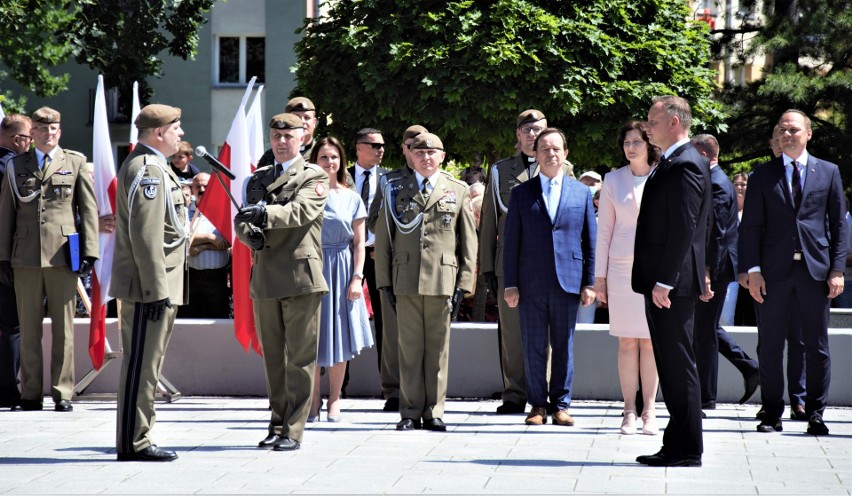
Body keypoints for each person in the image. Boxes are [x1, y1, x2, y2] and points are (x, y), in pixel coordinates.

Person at [739, 109, 846, 436]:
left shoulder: (828, 172)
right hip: (772, 274)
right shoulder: (762, 175)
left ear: (808, 134)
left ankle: (815, 413)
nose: (787, 135)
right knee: (769, 345)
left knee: (816, 346)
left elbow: (839, 225)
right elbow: (751, 228)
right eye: (782, 130)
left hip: (815, 273)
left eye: (794, 130)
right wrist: (752, 270)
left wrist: (837, 269)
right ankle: (772, 412)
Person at [234, 113, 328, 451]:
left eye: (289, 136)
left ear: (303, 138)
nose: (281, 141)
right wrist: (248, 234)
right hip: (266, 276)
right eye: (276, 136)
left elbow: (300, 212)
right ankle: (277, 423)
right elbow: (241, 217)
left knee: (300, 358)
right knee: (273, 356)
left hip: (300, 275)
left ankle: (294, 429)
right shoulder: (257, 177)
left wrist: (263, 216)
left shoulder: (313, 175)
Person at [374, 132, 477, 432]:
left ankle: (434, 410)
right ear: (410, 156)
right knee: (408, 349)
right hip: (404, 280)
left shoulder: (457, 190)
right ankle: (409, 411)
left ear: (442, 156)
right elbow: (383, 241)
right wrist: (384, 284)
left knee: (437, 351)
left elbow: (468, 243)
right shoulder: (394, 189)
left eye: (432, 153)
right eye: (420, 153)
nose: (426, 158)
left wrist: (464, 285)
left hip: (443, 281)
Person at [0, 107, 98, 413]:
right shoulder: (17, 166)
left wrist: (90, 251)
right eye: (42, 129)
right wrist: (3, 257)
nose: (48, 134)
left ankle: (62, 391)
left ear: (60, 132)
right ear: (33, 134)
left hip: (63, 257)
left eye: (53, 129)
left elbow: (88, 210)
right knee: (29, 329)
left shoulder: (75, 161)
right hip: (26, 257)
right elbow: (7, 214)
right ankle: (30, 394)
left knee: (64, 329)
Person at [632, 95, 711, 467]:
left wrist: (665, 279)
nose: (648, 127)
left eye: (653, 120)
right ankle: (676, 442)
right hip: (665, 283)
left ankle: (687, 448)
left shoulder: (686, 164)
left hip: (671, 286)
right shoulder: (675, 161)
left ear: (675, 122)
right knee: (671, 364)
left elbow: (686, 228)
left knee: (679, 365)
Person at [479, 109, 573, 415]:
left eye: (540, 130)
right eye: (528, 130)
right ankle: (514, 393)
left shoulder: (564, 168)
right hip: (512, 262)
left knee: (549, 334)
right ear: (518, 135)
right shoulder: (500, 171)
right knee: (512, 332)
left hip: (552, 264)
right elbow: (490, 222)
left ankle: (543, 397)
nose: (534, 135)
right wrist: (488, 267)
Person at [503, 127, 596, 427]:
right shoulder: (520, 194)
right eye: (544, 149)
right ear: (535, 154)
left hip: (568, 281)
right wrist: (511, 283)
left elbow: (589, 241)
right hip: (530, 282)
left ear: (565, 153)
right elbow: (511, 242)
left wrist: (590, 283)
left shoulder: (581, 193)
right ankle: (537, 405)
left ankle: (561, 404)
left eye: (556, 148)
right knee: (533, 345)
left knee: (564, 345)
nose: (551, 153)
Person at [111, 104, 188, 462]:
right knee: (142, 365)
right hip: (148, 289)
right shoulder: (149, 170)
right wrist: (156, 290)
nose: (181, 134)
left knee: (147, 365)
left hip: (153, 286)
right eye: (176, 128)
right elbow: (146, 237)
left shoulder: (153, 166)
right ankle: (134, 441)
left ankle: (136, 438)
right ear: (158, 133)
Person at [594, 121, 659, 435]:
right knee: (627, 342)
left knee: (650, 343)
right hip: (620, 270)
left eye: (637, 141)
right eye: (627, 142)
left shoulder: (663, 175)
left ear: (649, 143)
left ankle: (650, 410)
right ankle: (628, 411)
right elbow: (603, 232)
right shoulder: (612, 179)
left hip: (655, 270)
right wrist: (600, 277)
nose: (631, 147)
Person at [691, 134, 760, 412]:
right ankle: (748, 367)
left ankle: (706, 396)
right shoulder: (715, 179)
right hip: (715, 267)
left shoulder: (718, 184)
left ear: (704, 155)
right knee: (706, 328)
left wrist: (706, 271)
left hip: (716, 268)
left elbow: (716, 234)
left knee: (705, 331)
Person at [308, 136, 373, 422]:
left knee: (339, 338)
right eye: (324, 157)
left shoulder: (351, 197)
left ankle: (334, 399)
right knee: (308, 339)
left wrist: (357, 278)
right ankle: (312, 401)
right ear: (314, 161)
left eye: (334, 157)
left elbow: (359, 243)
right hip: (311, 267)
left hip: (342, 269)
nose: (329, 162)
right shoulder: (304, 194)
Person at [366, 124, 426, 411]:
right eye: (412, 145)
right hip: (394, 264)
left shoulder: (441, 181)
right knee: (392, 331)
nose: (418, 151)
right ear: (404, 149)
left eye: (424, 146)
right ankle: (392, 390)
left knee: (426, 331)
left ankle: (423, 387)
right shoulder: (390, 182)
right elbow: (371, 219)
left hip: (427, 266)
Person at [347, 128, 391, 406]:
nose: (380, 149)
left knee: (386, 322)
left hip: (377, 256)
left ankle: (390, 388)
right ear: (358, 147)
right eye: (374, 145)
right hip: (344, 254)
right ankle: (339, 385)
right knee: (340, 318)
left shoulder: (389, 179)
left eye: (383, 145)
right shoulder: (340, 177)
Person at [0, 114, 31, 410]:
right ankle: (8, 390)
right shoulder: (12, 168)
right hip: (6, 256)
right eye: (29, 138)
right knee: (13, 325)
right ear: (17, 140)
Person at [181, 172, 231, 318]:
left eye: (206, 186)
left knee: (217, 319)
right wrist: (210, 238)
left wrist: (201, 246)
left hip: (218, 278)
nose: (202, 190)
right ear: (192, 188)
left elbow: (227, 241)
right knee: (191, 322)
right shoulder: (184, 212)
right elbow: (182, 237)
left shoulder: (223, 211)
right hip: (191, 278)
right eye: (198, 186)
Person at [720, 172, 748, 326]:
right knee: (726, 317)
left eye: (743, 184)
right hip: (729, 270)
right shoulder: (726, 209)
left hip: (749, 272)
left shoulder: (754, 211)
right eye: (736, 184)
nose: (739, 187)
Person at [257, 97, 319, 166]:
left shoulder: (322, 154)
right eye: (297, 118)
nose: (302, 121)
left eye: (307, 117)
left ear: (314, 122)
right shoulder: (270, 156)